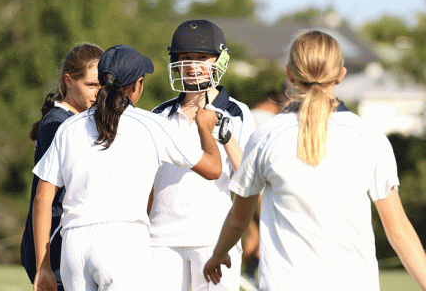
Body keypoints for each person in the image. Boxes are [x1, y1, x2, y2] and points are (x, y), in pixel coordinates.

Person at [203, 30, 426, 291]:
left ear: (288, 73)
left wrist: (218, 255)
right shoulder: (369, 138)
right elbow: (398, 231)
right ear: (341, 74)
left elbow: (239, 219)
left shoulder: (266, 136)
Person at [32, 44, 224, 291]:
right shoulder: (151, 124)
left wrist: (43, 267)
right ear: (138, 84)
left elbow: (41, 199)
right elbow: (213, 169)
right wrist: (204, 127)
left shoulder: (69, 128)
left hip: (73, 245)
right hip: (123, 241)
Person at [148, 19, 256, 291]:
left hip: (212, 235)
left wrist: (225, 134)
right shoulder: (159, 114)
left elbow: (247, 173)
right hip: (161, 236)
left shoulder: (237, 111)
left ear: (218, 61)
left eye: (201, 58)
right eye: (185, 58)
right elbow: (147, 178)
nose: (193, 66)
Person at [21, 43, 104, 291]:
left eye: (103, 86)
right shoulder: (57, 125)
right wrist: (42, 266)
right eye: (91, 85)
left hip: (75, 245)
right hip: (55, 247)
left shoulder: (82, 121)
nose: (98, 93)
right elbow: (44, 200)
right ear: (68, 80)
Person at [242, 87, 290, 288]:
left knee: (253, 234)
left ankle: (245, 274)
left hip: (243, 186)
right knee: (275, 233)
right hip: (265, 188)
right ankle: (256, 275)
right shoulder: (272, 121)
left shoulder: (246, 115)